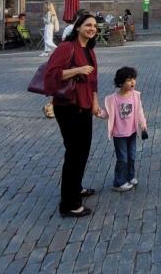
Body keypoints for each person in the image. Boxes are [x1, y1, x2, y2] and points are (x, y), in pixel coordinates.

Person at [45, 12, 103, 217]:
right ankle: (69, 204)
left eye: (94, 26)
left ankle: (76, 187)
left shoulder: (89, 50)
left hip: (85, 106)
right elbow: (51, 75)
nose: (92, 28)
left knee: (83, 151)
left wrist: (95, 104)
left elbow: (93, 80)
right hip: (68, 106)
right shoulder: (66, 48)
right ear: (78, 27)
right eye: (88, 25)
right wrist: (77, 70)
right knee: (74, 153)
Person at [104, 67, 148, 192]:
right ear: (120, 83)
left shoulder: (135, 96)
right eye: (129, 80)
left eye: (133, 79)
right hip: (119, 134)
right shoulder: (113, 99)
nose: (132, 82)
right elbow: (107, 113)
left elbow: (139, 111)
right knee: (122, 158)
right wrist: (97, 112)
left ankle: (130, 176)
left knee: (132, 156)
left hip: (132, 132)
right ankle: (119, 182)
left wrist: (143, 124)